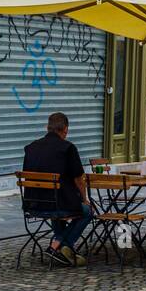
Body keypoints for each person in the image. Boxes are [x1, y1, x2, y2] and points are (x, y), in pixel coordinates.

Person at [22, 112, 92, 266]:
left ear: (47, 128)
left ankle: (59, 243)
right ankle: (60, 245)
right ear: (65, 129)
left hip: (33, 204)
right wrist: (85, 199)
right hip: (58, 205)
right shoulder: (68, 148)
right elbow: (79, 179)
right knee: (87, 211)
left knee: (57, 207)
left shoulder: (30, 148)